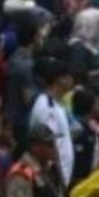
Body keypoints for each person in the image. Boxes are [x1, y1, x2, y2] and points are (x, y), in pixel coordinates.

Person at [27, 59, 77, 188]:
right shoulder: (47, 106)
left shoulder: (57, 105)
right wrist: (57, 174)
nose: (73, 81)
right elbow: (49, 143)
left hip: (60, 176)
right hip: (53, 176)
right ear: (60, 79)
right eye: (70, 77)